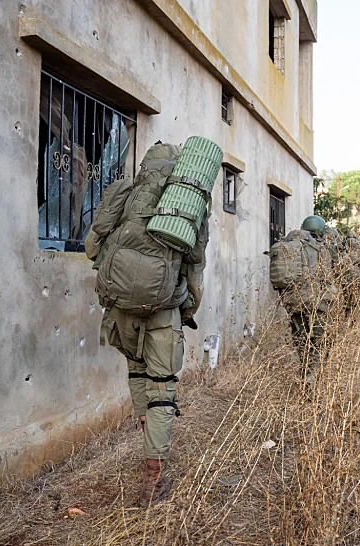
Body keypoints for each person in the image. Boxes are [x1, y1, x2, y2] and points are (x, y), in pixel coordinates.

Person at [86, 143, 209, 507]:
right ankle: (153, 480)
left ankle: (147, 437)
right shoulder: (187, 209)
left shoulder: (123, 193)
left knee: (137, 375)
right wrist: (186, 309)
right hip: (161, 313)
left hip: (121, 309)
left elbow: (93, 248)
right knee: (162, 392)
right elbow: (195, 269)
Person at [284, 215, 338, 383]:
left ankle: (305, 369)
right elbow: (337, 271)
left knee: (301, 340)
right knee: (320, 340)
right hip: (319, 302)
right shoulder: (325, 248)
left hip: (295, 302)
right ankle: (312, 376)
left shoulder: (291, 247)